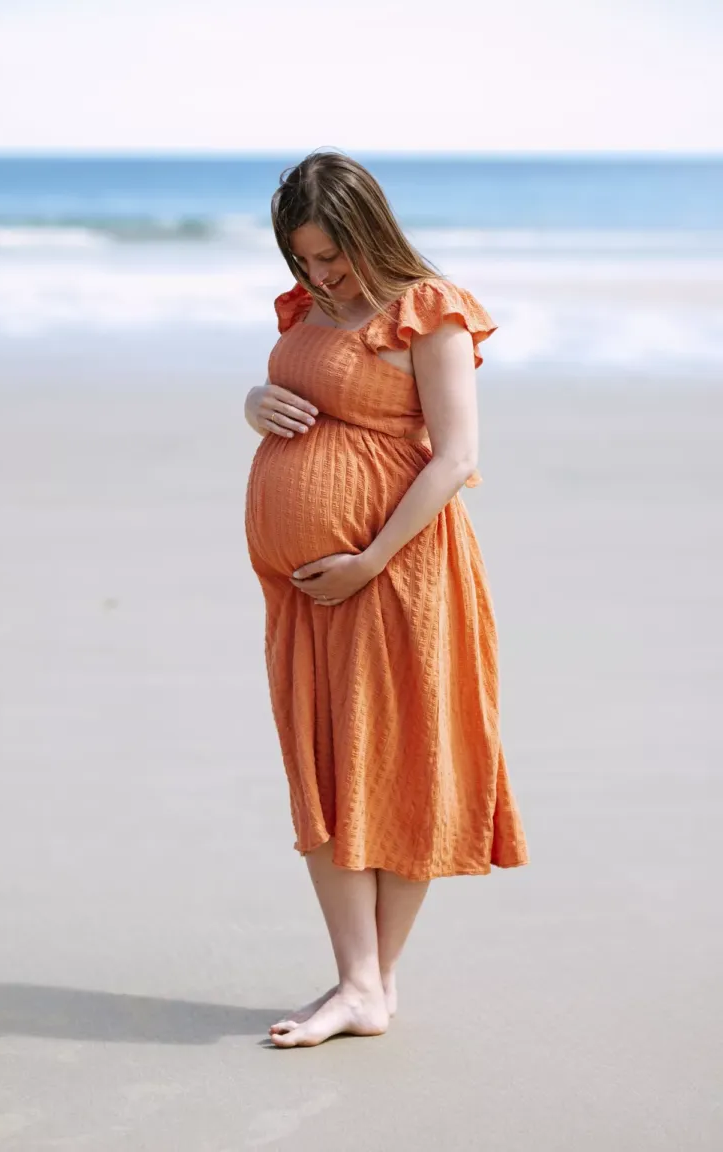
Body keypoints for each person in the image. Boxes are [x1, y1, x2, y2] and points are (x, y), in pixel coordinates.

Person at [243, 150, 528, 1048]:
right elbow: (301, 394)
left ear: (372, 230)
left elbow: (455, 458)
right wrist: (257, 402)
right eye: (304, 260)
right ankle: (362, 982)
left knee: (396, 764)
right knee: (323, 768)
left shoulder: (429, 314)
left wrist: (366, 561)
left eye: (333, 256)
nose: (321, 275)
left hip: (396, 575)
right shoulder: (311, 310)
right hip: (307, 593)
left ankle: (370, 984)